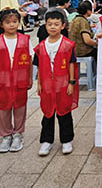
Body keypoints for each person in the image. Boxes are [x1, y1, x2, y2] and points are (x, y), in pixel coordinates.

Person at [0, 9, 34, 153]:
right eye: (8, 22)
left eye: (14, 22)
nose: (12, 25)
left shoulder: (25, 40)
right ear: (1, 24)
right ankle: (6, 135)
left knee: (20, 108)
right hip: (2, 83)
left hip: (20, 81)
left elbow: (30, 61)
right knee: (3, 109)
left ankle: (18, 134)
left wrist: (30, 78)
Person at [34, 10, 78, 156]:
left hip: (63, 84)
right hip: (47, 85)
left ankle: (66, 140)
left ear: (63, 26)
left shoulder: (67, 45)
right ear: (45, 26)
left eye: (56, 24)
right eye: (49, 24)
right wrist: (39, 83)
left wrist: (71, 82)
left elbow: (71, 64)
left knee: (64, 112)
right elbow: (40, 66)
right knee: (48, 113)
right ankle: (46, 141)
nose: (53, 27)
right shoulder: (41, 46)